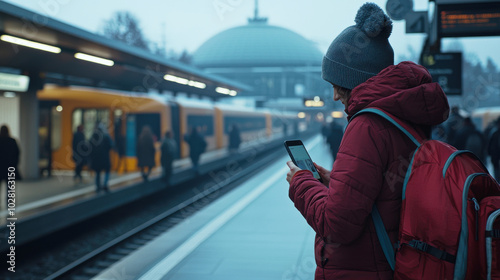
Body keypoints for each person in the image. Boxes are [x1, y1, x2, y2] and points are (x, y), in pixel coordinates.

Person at [285, 3, 449, 279]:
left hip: (364, 268)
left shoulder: (366, 126)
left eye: (337, 85)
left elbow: (337, 225)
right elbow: (382, 191)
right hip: (393, 259)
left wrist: (300, 183)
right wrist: (335, 182)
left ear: (355, 81)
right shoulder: (405, 118)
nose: (335, 97)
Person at [0, 124, 20, 208]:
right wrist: (15, 164)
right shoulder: (12, 141)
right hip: (10, 167)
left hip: (0, 167)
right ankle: (10, 204)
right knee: (10, 188)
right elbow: (17, 153)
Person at [89, 123, 113, 193]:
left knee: (98, 172)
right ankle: (105, 184)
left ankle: (98, 186)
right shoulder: (106, 136)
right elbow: (111, 145)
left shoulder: (93, 136)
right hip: (105, 157)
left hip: (96, 158)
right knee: (107, 170)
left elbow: (90, 147)